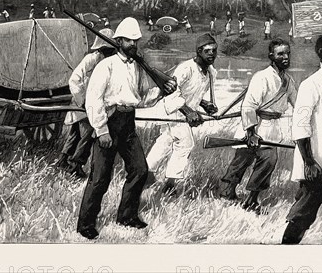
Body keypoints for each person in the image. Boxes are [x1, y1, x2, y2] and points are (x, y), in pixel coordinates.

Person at [76, 17, 177, 240]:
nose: (133, 45)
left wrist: (162, 91)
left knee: (140, 170)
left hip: (127, 123)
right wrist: (101, 130)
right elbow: (93, 99)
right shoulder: (106, 66)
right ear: (119, 41)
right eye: (129, 41)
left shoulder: (136, 67)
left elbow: (140, 99)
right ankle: (85, 224)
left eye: (135, 41)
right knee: (100, 177)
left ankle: (127, 216)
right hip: (109, 121)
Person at [220, 39, 297, 211]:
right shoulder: (261, 77)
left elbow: (297, 104)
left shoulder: (288, 81)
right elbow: (248, 105)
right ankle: (226, 193)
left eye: (287, 53)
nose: (285, 57)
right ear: (271, 56)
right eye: (280, 54)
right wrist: (251, 133)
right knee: (240, 162)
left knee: (268, 161)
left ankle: (252, 199)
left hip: (271, 128)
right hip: (254, 126)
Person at [282, 33, 322, 244]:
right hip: (317, 160)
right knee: (305, 209)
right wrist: (308, 161)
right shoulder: (312, 84)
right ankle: (286, 248)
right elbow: (300, 125)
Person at [145, 33, 218, 195]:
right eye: (207, 51)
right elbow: (171, 92)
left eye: (214, 50)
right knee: (185, 143)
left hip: (184, 113)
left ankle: (147, 173)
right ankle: (170, 184)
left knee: (165, 141)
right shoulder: (186, 68)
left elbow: (194, 94)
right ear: (199, 51)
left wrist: (205, 105)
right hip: (172, 111)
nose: (212, 54)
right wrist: (189, 112)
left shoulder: (212, 72)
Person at [57, 29, 117, 178]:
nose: (110, 51)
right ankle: (75, 164)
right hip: (82, 103)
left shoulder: (109, 62)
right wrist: (82, 101)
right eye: (108, 49)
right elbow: (74, 80)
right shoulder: (91, 59)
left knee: (76, 134)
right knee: (89, 133)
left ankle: (63, 160)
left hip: (92, 103)